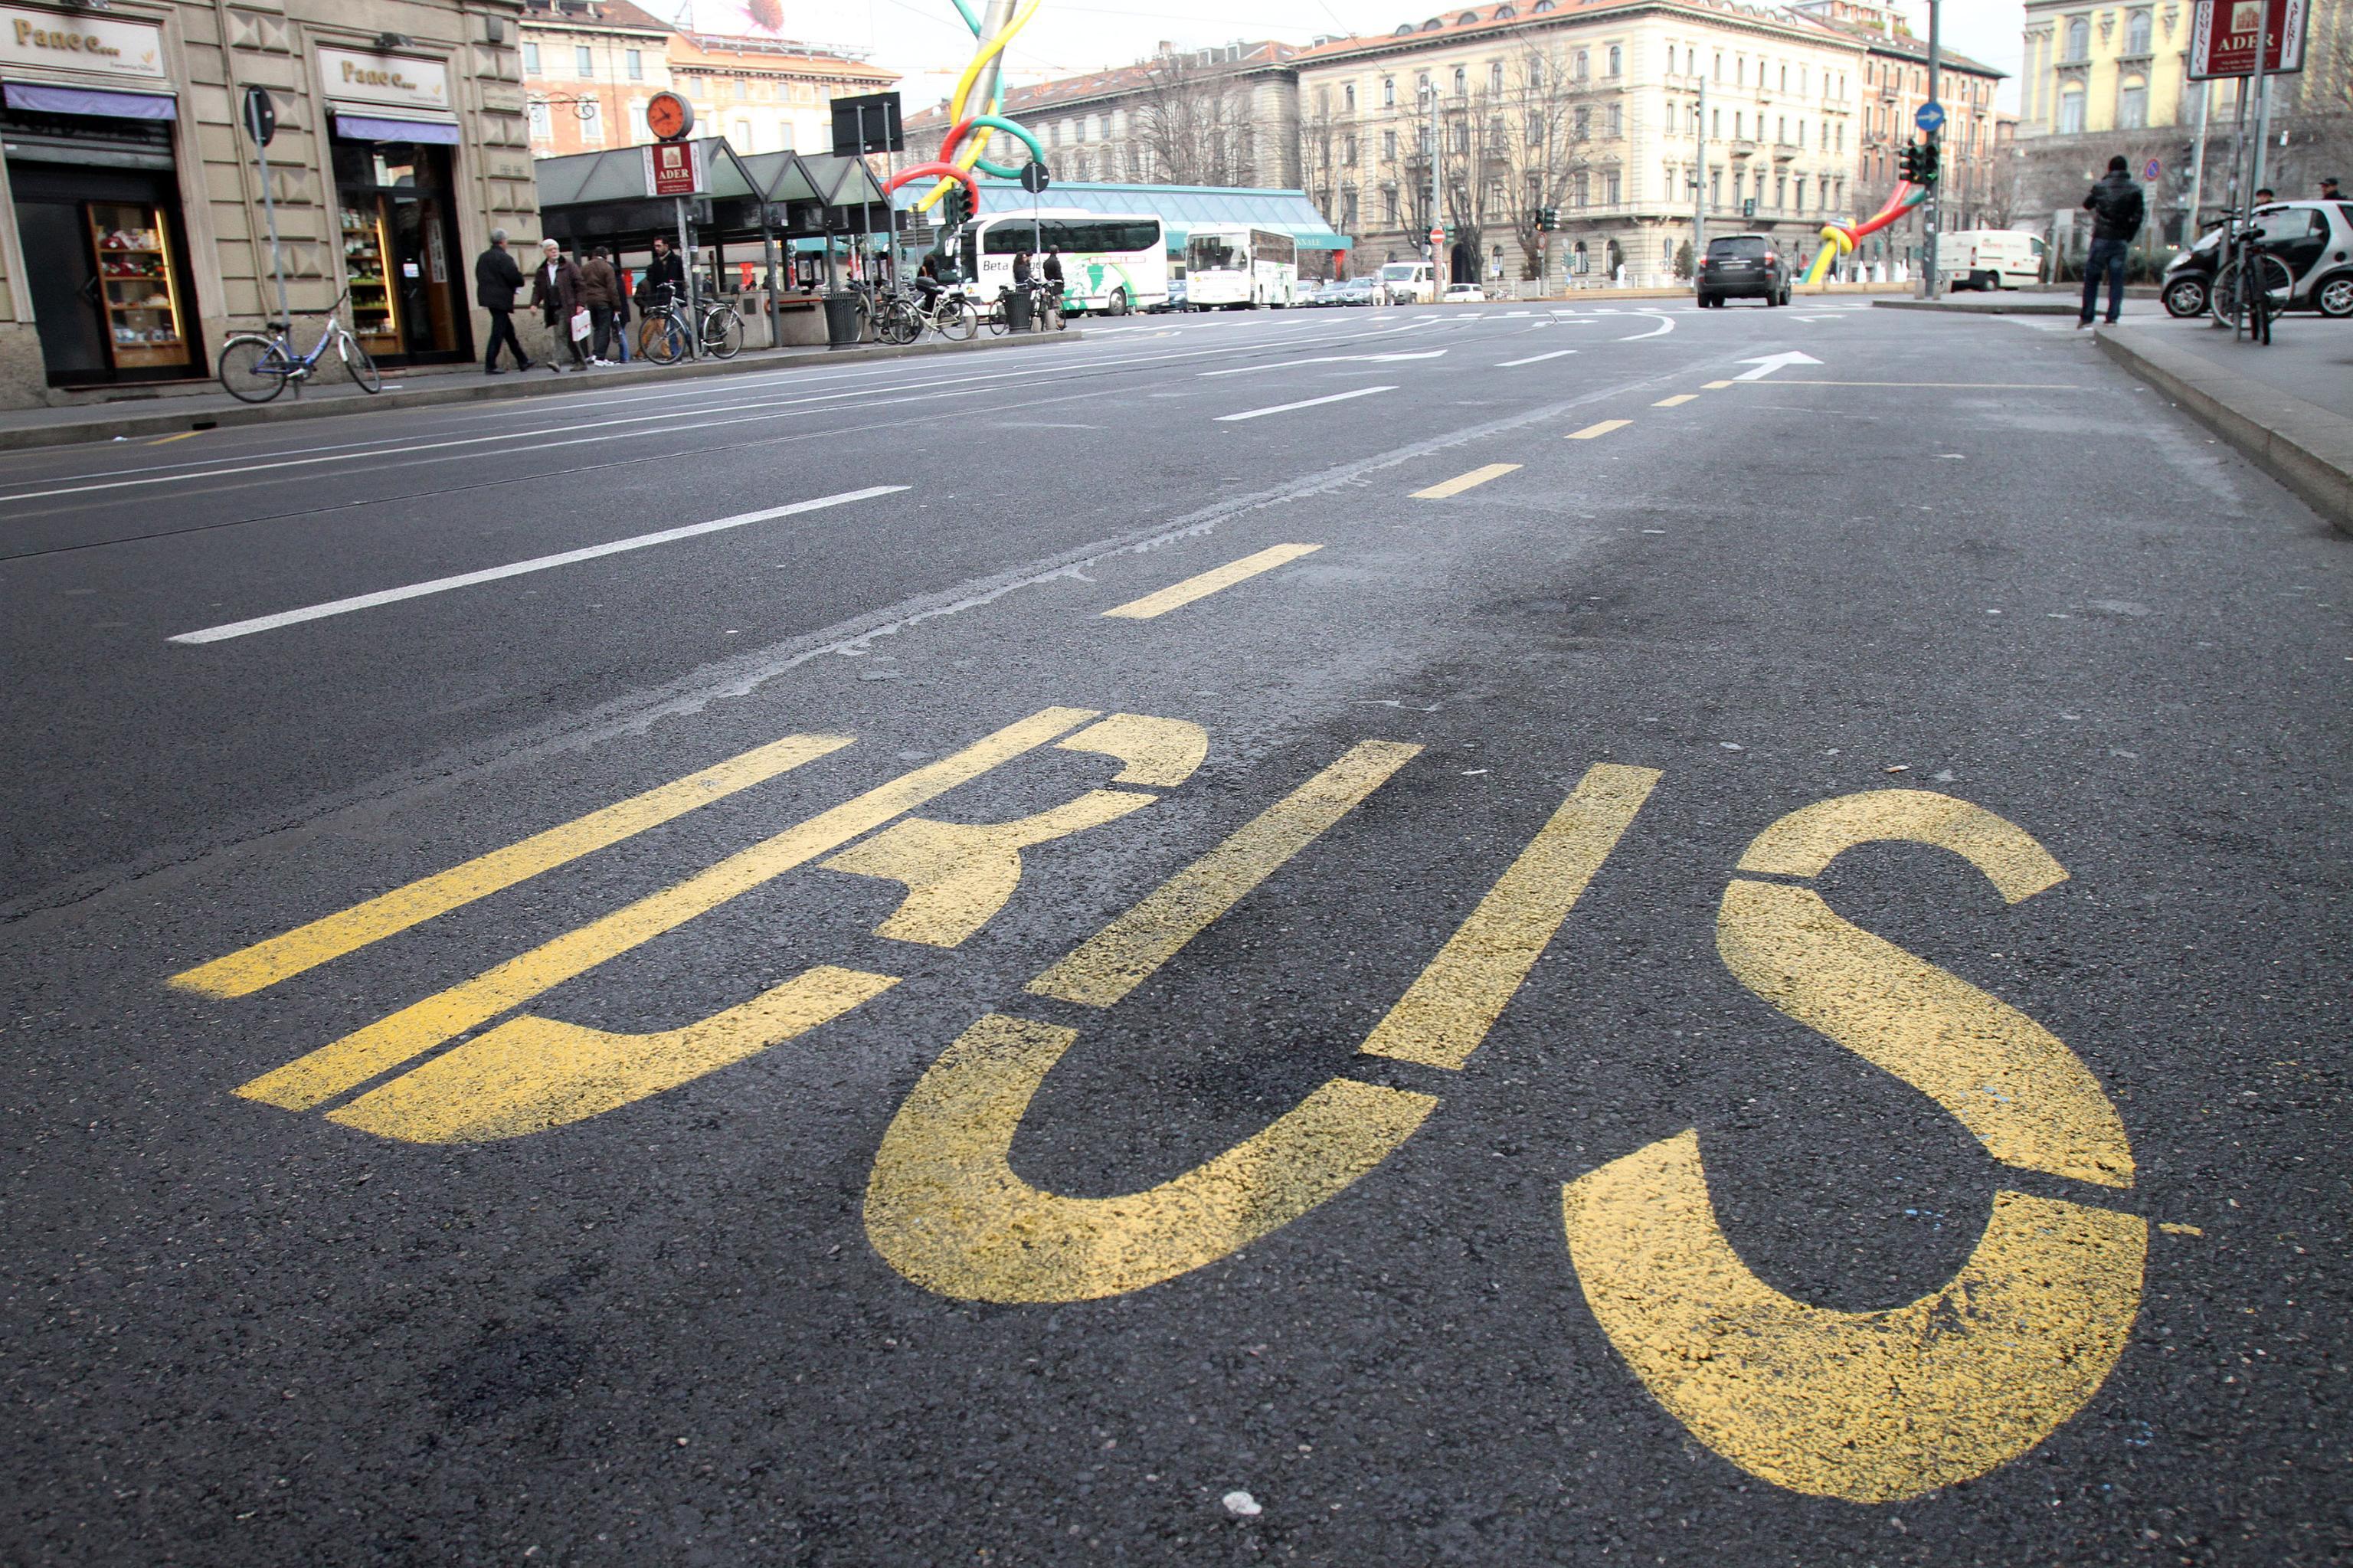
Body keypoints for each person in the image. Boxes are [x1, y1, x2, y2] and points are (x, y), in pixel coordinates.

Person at [2077, 154, 2144, 329]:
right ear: (2126, 169)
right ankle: (2112, 317)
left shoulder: (2100, 187)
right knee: (2116, 279)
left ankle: (2087, 316)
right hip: (2120, 239)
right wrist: (2128, 235)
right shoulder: (2135, 190)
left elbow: (2086, 204)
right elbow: (2138, 217)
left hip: (2100, 237)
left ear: (2110, 169)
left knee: (2092, 278)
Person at [474, 228, 530, 375]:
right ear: (503, 241)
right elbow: (514, 277)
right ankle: (490, 364)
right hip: (501, 299)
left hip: (489, 298)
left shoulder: (483, 257)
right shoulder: (504, 258)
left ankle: (522, 360)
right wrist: (518, 282)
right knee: (498, 332)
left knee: (508, 331)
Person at [531, 237, 586, 371]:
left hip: (568, 306)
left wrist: (580, 304)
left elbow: (580, 285)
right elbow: (537, 289)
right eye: (551, 250)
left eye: (556, 249)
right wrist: (534, 304)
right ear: (545, 252)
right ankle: (581, 362)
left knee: (561, 334)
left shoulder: (569, 265)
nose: (554, 252)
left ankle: (557, 361)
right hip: (553, 307)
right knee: (570, 337)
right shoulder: (542, 270)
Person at [578, 244, 620, 365]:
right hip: (604, 302)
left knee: (597, 328)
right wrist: (617, 306)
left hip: (590, 302)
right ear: (606, 256)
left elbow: (581, 285)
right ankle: (600, 356)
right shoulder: (607, 268)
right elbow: (612, 289)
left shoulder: (585, 267)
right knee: (604, 329)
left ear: (594, 255)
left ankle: (595, 353)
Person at [639, 234, 686, 313]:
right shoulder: (656, 262)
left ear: (666, 246)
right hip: (661, 301)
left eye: (659, 246)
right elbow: (654, 284)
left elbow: (683, 279)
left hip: (676, 299)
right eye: (655, 246)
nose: (656, 248)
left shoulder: (677, 261)